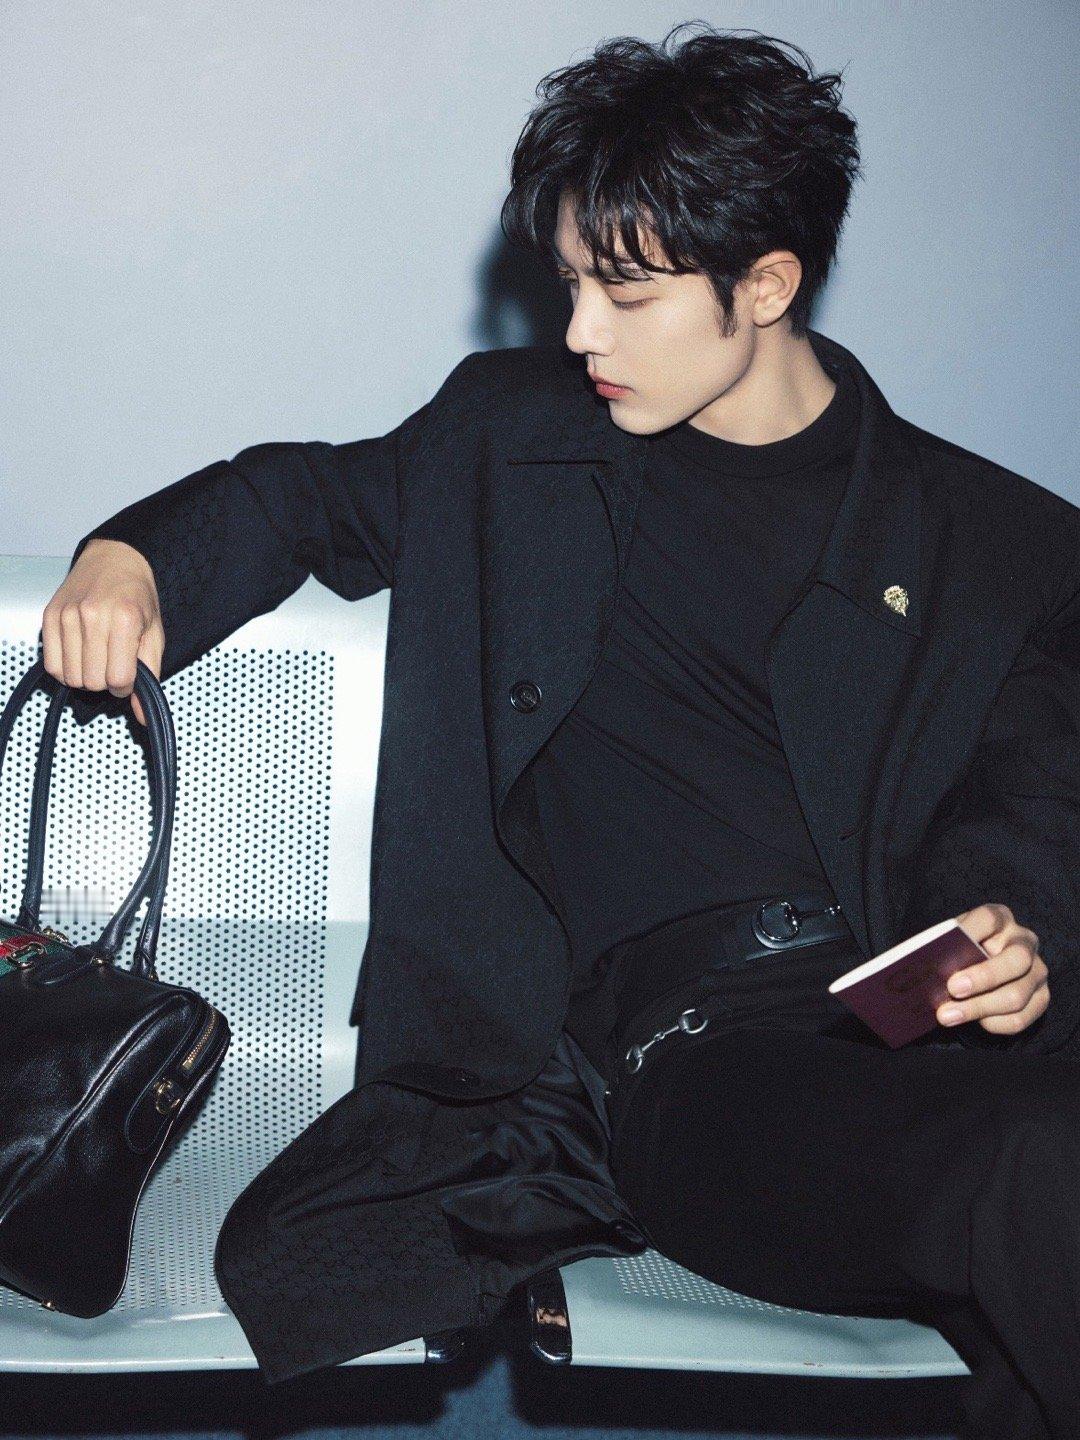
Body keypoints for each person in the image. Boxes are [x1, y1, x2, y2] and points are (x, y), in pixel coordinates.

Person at [40, 22, 1079, 1438]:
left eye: (626, 291)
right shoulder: (513, 444)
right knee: (1037, 1166)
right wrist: (130, 556)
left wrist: (1012, 935)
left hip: (921, 1023)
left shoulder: (995, 543)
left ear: (767, 285)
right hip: (703, 1070)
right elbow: (300, 498)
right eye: (574, 281)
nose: (581, 330)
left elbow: (1030, 798)